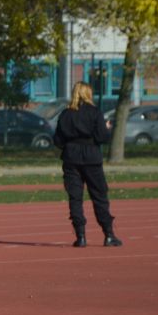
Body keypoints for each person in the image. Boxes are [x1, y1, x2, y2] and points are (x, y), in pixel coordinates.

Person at [54, 81, 122, 247]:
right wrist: (105, 128)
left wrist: (70, 144)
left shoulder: (65, 114)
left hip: (71, 157)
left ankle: (81, 236)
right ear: (88, 94)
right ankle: (108, 234)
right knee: (99, 195)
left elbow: (58, 140)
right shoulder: (95, 112)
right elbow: (102, 137)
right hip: (91, 156)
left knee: (75, 197)